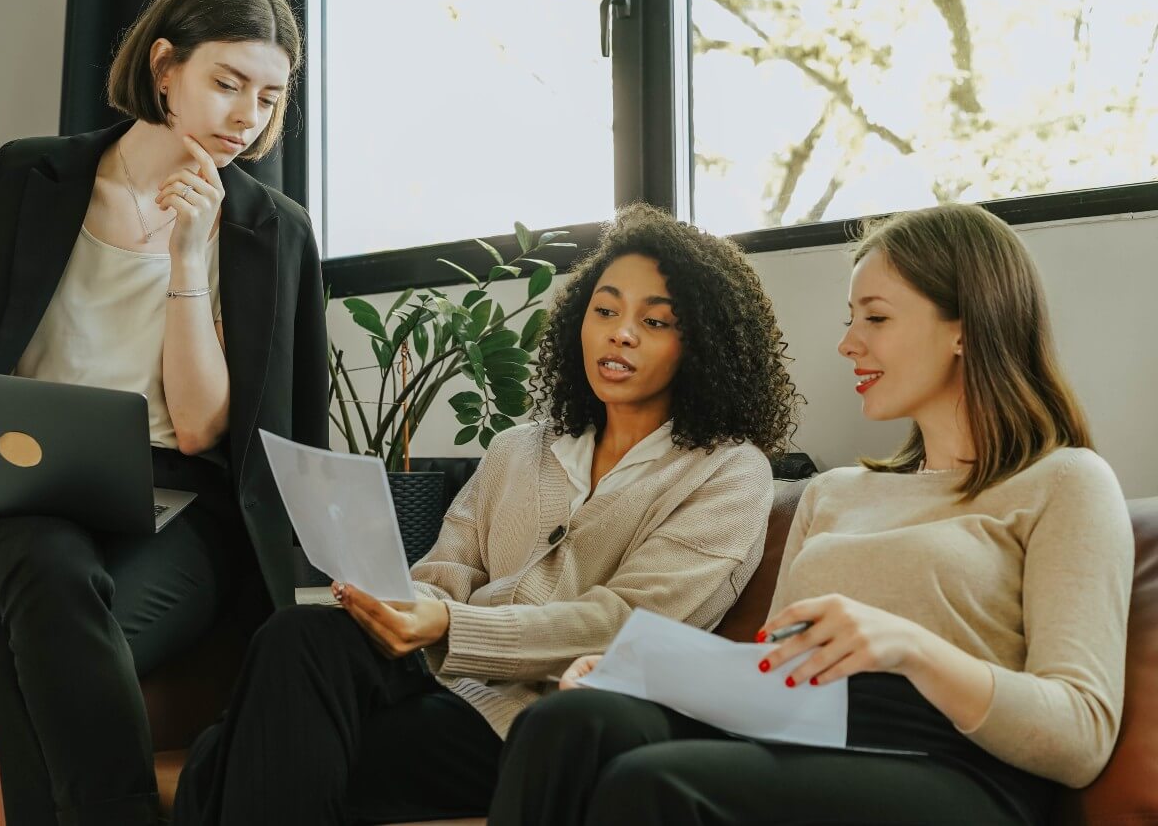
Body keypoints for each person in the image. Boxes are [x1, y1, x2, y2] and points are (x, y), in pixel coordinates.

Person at [490, 203, 1133, 826]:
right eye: (851, 318)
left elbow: (1080, 736)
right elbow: (771, 682)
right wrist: (637, 672)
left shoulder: (1065, 481)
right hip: (807, 732)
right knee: (568, 722)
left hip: (955, 767)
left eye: (875, 318)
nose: (848, 343)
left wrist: (911, 648)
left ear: (964, 324)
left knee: (652, 786)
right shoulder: (834, 493)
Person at [172, 203, 802, 825]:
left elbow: (627, 627)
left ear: (703, 345)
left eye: (656, 322)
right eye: (605, 311)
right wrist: (394, 600)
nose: (621, 333)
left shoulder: (727, 471)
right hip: (434, 676)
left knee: (217, 758)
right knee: (296, 635)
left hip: (531, 719)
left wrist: (448, 626)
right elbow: (448, 570)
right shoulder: (518, 447)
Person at [0, 0, 325, 824]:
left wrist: (188, 259)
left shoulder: (271, 230)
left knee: (22, 671)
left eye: (269, 95)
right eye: (227, 82)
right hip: (13, 500)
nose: (247, 114)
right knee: (49, 563)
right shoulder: (28, 176)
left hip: (177, 507)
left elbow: (207, 426)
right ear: (164, 66)